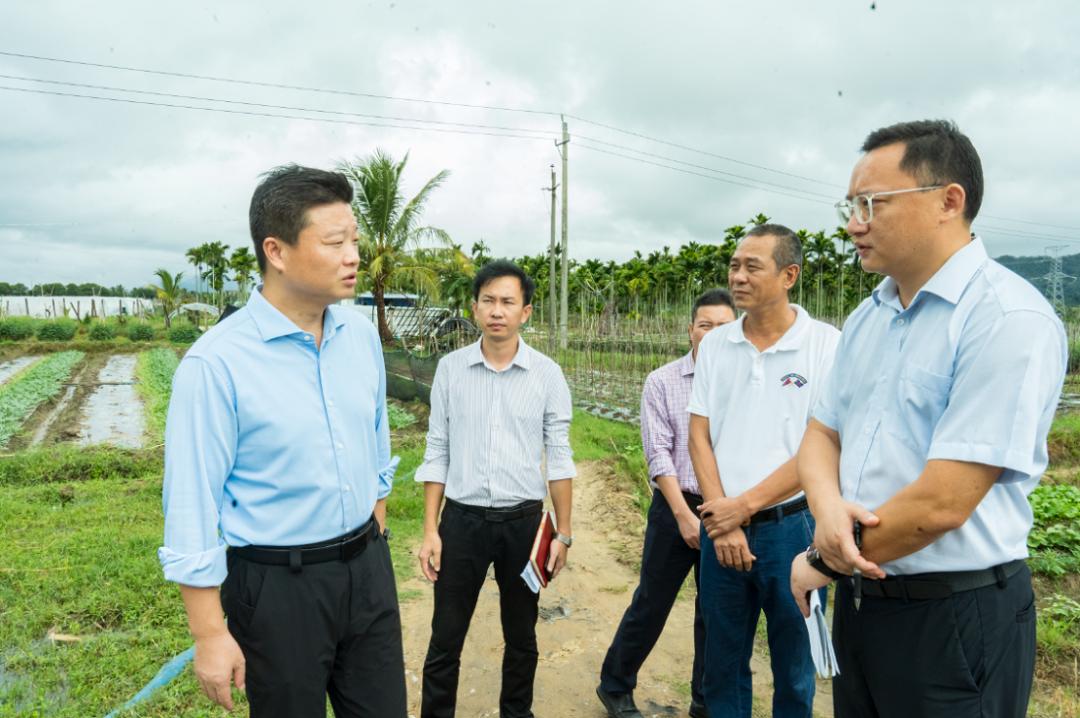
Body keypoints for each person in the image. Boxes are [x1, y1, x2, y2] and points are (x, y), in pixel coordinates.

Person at [790, 119, 1067, 718]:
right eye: (850, 205)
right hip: (864, 603)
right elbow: (821, 433)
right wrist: (828, 513)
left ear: (949, 201)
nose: (853, 223)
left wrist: (822, 558)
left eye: (871, 203)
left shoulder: (1006, 318)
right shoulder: (870, 316)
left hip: (955, 616)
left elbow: (942, 503)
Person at [158, 165, 407, 717]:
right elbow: (191, 506)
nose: (353, 257)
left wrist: (375, 524)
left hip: (367, 569)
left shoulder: (361, 338)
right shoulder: (216, 364)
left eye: (355, 241)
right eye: (335, 242)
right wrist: (209, 635)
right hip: (277, 588)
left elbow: (374, 440)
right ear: (277, 250)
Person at [688, 225, 839, 717]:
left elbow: (823, 446)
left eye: (753, 266)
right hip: (721, 528)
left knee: (794, 668)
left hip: (792, 528)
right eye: (734, 265)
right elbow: (699, 435)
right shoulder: (716, 346)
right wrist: (721, 519)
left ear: (789, 275)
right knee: (722, 664)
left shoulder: (826, 347)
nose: (738, 276)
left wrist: (743, 508)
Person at [416, 259, 576, 718]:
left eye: (508, 302)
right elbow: (438, 448)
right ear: (474, 307)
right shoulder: (451, 369)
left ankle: (516, 712)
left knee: (522, 636)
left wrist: (562, 533)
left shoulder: (546, 374)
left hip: (523, 524)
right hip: (462, 521)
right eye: (488, 300)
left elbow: (560, 456)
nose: (497, 311)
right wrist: (431, 528)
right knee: (446, 635)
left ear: (526, 311)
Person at [596, 289, 736, 718]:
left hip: (729, 511)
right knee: (652, 602)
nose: (713, 334)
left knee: (714, 611)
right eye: (705, 325)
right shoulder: (662, 381)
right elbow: (659, 454)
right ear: (690, 329)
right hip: (677, 504)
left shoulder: (746, 383)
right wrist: (683, 517)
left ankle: (704, 698)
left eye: (725, 326)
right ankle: (615, 684)